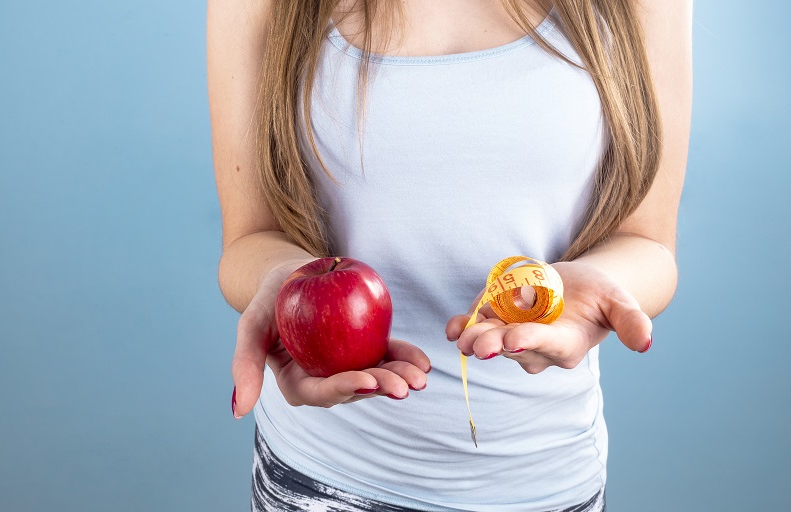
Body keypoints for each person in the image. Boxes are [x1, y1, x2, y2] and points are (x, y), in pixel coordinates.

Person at [207, 0, 691, 510]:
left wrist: (592, 288)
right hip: (316, 477)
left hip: (544, 481)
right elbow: (250, 238)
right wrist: (287, 283)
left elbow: (649, 243)